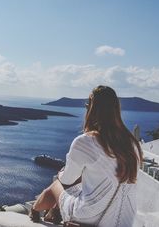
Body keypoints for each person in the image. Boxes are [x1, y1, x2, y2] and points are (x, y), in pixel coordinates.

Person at [31, 85, 143, 227]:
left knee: (56, 186)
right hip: (125, 220)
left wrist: (61, 173)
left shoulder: (86, 141)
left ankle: (34, 210)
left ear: (91, 109)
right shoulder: (132, 144)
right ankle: (55, 211)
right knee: (78, 189)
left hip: (90, 217)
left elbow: (67, 179)